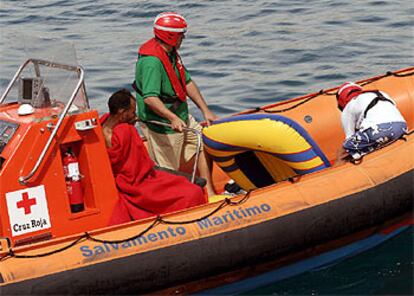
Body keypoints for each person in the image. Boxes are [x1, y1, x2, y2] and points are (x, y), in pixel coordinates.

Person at [133, 12, 218, 197]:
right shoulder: (152, 62)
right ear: (170, 36)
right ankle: (172, 204)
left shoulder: (170, 54)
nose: (184, 38)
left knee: (201, 143)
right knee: (167, 168)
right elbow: (150, 98)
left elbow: (186, 82)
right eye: (181, 34)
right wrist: (171, 118)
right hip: (163, 123)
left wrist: (206, 110)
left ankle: (210, 192)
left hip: (180, 114)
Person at [101, 89, 206, 225]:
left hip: (131, 177)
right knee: (193, 192)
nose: (135, 115)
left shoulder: (102, 125)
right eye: (132, 112)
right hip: (137, 182)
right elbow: (136, 171)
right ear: (122, 113)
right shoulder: (124, 131)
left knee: (179, 181)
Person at [336, 82, 407, 160]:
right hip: (402, 127)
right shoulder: (382, 93)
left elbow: (349, 137)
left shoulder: (348, 108)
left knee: (344, 149)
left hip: (378, 131)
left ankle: (337, 169)